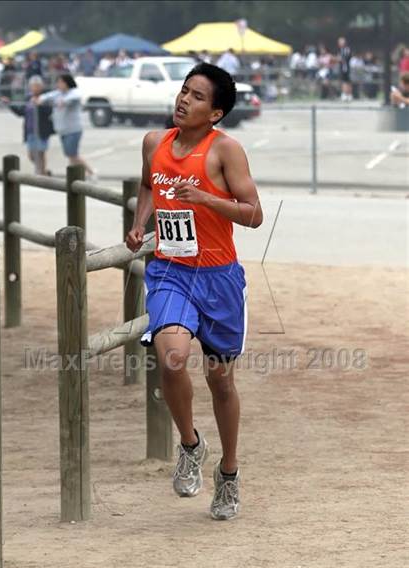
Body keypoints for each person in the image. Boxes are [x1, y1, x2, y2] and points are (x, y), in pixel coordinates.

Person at [125, 63, 263, 520]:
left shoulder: (226, 151)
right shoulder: (155, 143)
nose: (184, 100)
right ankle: (189, 444)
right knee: (171, 356)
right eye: (184, 92)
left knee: (220, 380)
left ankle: (229, 470)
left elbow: (253, 214)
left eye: (197, 97)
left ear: (216, 112)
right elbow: (148, 184)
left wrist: (205, 198)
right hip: (170, 270)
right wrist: (140, 222)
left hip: (219, 276)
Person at [37, 74, 94, 177]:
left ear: (67, 83)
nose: (58, 84)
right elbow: (47, 96)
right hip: (63, 130)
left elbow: (74, 97)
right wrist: (40, 99)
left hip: (73, 130)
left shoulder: (73, 93)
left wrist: (63, 101)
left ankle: (89, 173)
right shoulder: (58, 93)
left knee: (73, 155)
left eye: (61, 82)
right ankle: (79, 174)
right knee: (70, 155)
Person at [1, 75, 54, 175]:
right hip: (30, 130)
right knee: (31, 155)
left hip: (42, 130)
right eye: (33, 86)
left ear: (41, 87)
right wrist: (9, 104)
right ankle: (43, 171)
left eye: (37, 86)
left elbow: (49, 111)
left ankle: (41, 173)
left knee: (40, 153)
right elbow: (21, 112)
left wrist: (40, 104)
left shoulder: (46, 97)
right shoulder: (28, 97)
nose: (34, 88)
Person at [337, 37, 352, 101]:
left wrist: (339, 59)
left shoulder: (346, 49)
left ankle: (346, 94)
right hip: (343, 67)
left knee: (346, 81)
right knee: (345, 81)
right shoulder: (340, 50)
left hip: (346, 68)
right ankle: (347, 95)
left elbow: (345, 58)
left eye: (341, 42)